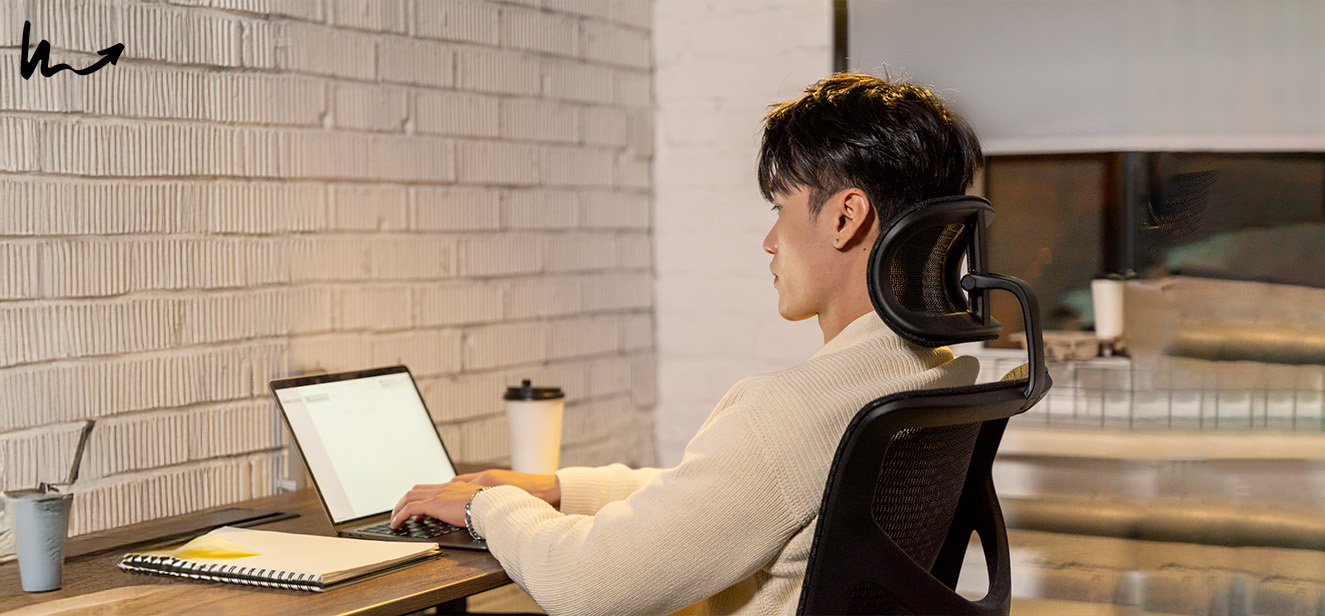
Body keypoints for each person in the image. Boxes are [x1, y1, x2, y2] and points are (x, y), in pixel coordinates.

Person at [391, 73, 984, 616]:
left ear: (845, 216)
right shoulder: (932, 374)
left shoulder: (790, 413)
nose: (770, 241)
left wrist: (482, 510)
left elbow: (588, 585)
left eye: (780, 208)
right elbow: (733, 501)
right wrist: (557, 490)